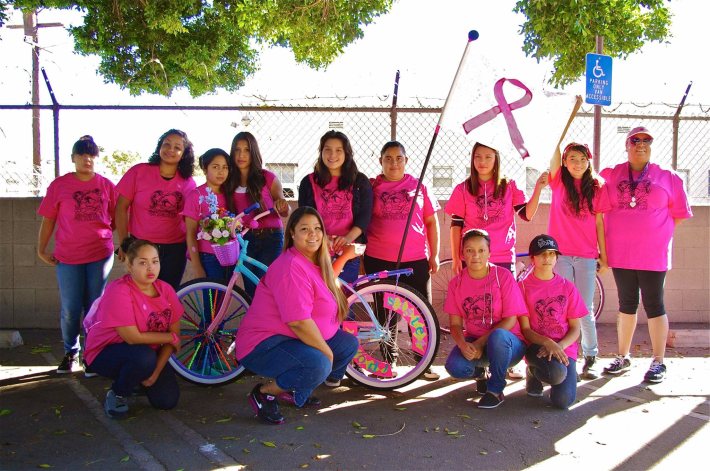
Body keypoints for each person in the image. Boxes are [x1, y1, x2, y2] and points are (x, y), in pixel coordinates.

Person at [235, 207, 359, 424]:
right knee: (320, 363)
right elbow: (298, 322)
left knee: (347, 344)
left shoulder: (314, 260)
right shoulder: (291, 266)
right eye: (304, 229)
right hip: (264, 344)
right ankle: (265, 392)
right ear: (292, 233)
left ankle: (293, 389)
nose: (313, 234)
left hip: (290, 338)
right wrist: (326, 355)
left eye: (317, 228)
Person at [600, 127, 693, 383]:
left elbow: (680, 214)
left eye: (646, 140)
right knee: (626, 304)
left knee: (655, 305)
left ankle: (658, 361)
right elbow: (598, 207)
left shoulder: (668, 176)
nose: (641, 144)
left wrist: (656, 235)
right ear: (626, 145)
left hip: (653, 256)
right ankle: (622, 355)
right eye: (635, 140)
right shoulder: (612, 174)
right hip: (621, 254)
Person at [37, 135, 116, 374]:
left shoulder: (106, 185)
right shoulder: (59, 186)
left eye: (91, 154)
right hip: (68, 258)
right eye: (82, 154)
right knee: (71, 308)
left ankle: (92, 354)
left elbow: (117, 218)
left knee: (94, 307)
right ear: (73, 158)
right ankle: (71, 352)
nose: (87, 159)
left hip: (100, 256)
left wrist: (117, 241)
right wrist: (41, 250)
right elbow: (48, 219)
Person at [364, 140, 441, 380]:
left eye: (399, 158)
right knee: (385, 313)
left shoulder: (419, 186)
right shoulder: (372, 187)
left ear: (406, 161)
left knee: (419, 312)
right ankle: (388, 361)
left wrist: (435, 253)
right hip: (379, 259)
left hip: (415, 261)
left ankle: (423, 361)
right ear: (380, 161)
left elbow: (431, 222)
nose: (394, 162)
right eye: (388, 158)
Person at [83, 239, 182, 419]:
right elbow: (132, 337)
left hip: (149, 355)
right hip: (105, 353)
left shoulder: (166, 290)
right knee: (142, 357)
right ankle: (118, 393)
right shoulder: (119, 290)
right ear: (129, 265)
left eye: (155, 261)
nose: (150, 268)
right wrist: (169, 338)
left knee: (167, 401)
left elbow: (175, 336)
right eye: (143, 263)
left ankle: (137, 379)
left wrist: (155, 374)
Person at [444, 229, 528, 409]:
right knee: (455, 367)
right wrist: (463, 345)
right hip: (476, 342)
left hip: (507, 344)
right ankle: (480, 372)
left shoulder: (503, 276)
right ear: (462, 253)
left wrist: (480, 344)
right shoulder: (456, 283)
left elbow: (510, 321)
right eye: (469, 250)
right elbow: (455, 324)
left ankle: (496, 390)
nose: (476, 256)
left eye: (481, 250)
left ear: (489, 253)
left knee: (498, 336)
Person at [547, 141, 611, 379]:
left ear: (588, 162)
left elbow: (599, 223)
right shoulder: (558, 182)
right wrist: (561, 127)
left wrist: (603, 255)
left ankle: (591, 355)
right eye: (572, 158)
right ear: (565, 161)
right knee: (563, 307)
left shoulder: (596, 187)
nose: (577, 163)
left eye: (582, 159)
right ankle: (564, 355)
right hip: (561, 254)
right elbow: (553, 150)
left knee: (585, 308)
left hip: (585, 256)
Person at [444, 141, 549, 275]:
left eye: (488, 157)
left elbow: (526, 215)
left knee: (501, 296)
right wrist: (455, 258)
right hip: (473, 257)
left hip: (503, 257)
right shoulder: (462, 188)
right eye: (478, 157)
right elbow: (456, 225)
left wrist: (538, 189)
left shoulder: (509, 185)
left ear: (496, 159)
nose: (482, 161)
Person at [116, 129, 197, 290]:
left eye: (177, 147)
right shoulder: (138, 172)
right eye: (166, 144)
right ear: (159, 146)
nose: (171, 150)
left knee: (167, 294)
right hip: (141, 245)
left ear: (184, 153)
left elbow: (191, 219)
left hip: (174, 250)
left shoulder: (189, 183)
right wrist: (124, 243)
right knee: (141, 293)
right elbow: (120, 208)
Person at [518, 234, 587, 409]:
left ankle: (561, 374)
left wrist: (560, 346)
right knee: (555, 374)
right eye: (542, 254)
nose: (547, 258)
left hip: (564, 348)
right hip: (537, 346)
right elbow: (525, 329)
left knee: (563, 401)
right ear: (532, 258)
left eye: (551, 254)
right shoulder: (523, 287)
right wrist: (548, 343)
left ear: (556, 257)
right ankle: (534, 371)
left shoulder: (568, 287)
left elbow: (575, 328)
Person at [298, 130, 373, 284]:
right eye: (328, 149)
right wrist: (321, 238)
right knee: (318, 295)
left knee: (343, 298)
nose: (332, 155)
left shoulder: (360, 181)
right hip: (316, 249)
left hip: (348, 251)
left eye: (338, 150)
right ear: (321, 152)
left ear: (347, 153)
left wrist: (347, 239)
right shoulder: (308, 182)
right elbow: (303, 217)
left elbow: (365, 216)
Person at [227, 131, 290, 298]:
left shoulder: (267, 177)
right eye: (237, 150)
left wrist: (282, 206)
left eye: (246, 150)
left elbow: (285, 210)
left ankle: (270, 321)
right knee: (251, 288)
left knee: (267, 285)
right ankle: (257, 322)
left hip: (271, 238)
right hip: (245, 239)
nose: (241, 155)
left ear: (253, 152)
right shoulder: (228, 180)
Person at [182, 148, 237, 280]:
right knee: (212, 299)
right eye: (215, 167)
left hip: (230, 257)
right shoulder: (196, 196)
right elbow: (190, 234)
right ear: (205, 169)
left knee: (226, 298)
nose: (221, 172)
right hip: (208, 258)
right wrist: (197, 267)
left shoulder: (230, 194)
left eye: (225, 167)